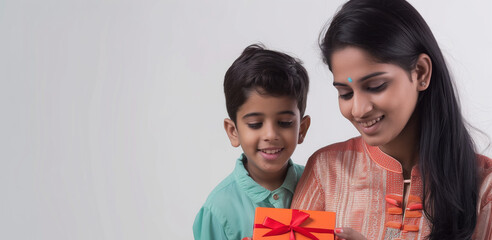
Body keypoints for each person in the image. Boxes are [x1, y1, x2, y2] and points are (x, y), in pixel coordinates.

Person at [291, 0, 492, 240]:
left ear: (421, 73)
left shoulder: (484, 186)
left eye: (376, 86)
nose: (358, 109)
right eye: (345, 93)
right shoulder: (325, 171)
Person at [193, 44, 311, 240]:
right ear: (233, 131)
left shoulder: (321, 183)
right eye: (255, 124)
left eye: (285, 122)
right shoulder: (218, 209)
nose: (270, 134)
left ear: (302, 129)